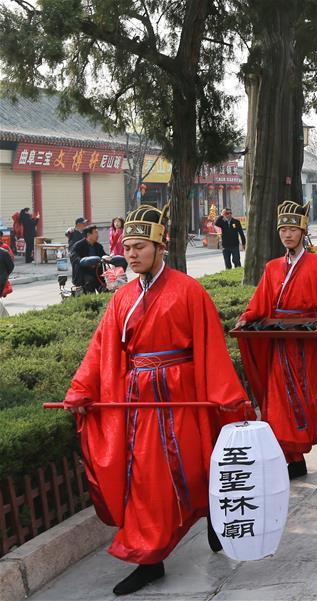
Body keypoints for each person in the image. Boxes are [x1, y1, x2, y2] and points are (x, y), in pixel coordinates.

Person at [63, 204, 251, 595]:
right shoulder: (122, 298)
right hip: (139, 403)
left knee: (195, 465)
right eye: (127, 248)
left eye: (139, 247)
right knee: (145, 479)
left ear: (160, 247)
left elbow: (210, 347)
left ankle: (211, 516)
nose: (130, 255)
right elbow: (101, 348)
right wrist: (81, 389)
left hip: (181, 397)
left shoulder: (189, 291)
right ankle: (149, 559)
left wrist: (226, 397)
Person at [236, 201, 317, 480]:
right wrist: (246, 317)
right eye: (283, 230)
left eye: (292, 229)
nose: (287, 234)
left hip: (306, 340)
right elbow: (260, 302)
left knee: (304, 396)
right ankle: (294, 459)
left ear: (303, 231)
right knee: (278, 401)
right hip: (279, 340)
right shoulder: (272, 267)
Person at [70, 225, 106, 289]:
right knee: (90, 283)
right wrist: (85, 262)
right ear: (88, 234)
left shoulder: (98, 246)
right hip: (84, 273)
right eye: (95, 232)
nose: (98, 235)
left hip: (97, 272)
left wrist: (109, 258)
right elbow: (74, 257)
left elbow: (103, 255)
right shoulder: (78, 246)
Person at [0, 241, 13, 317]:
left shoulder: (4, 252)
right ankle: (5, 317)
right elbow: (10, 267)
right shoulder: (4, 252)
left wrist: (4, 274)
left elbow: (11, 266)